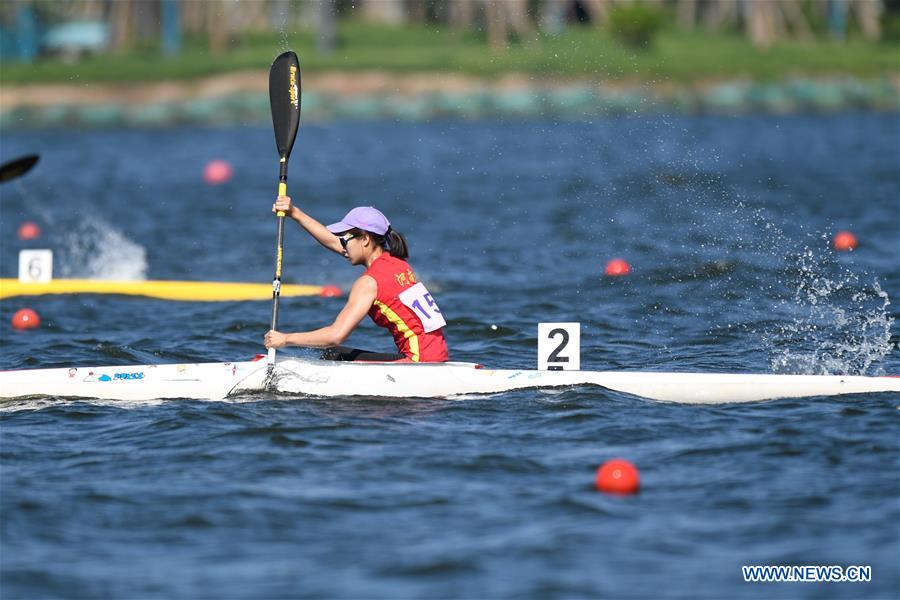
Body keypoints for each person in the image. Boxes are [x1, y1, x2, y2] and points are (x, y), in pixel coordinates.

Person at [264, 196, 449, 363]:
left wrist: (285, 339)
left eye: (345, 239)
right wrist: (295, 213)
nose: (343, 246)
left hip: (418, 362)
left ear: (366, 239)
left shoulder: (368, 283)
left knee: (333, 354)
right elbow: (335, 243)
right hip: (437, 356)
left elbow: (335, 335)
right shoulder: (398, 264)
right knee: (336, 354)